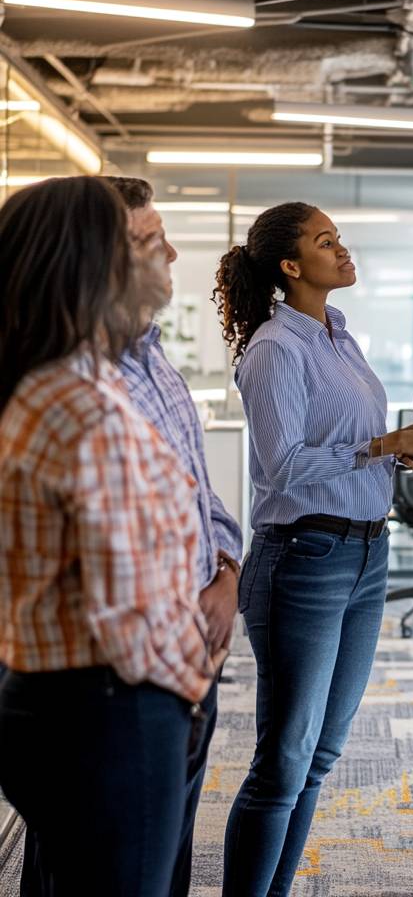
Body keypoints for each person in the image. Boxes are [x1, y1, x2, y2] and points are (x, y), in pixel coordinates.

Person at [214, 201, 413, 897]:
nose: (342, 250)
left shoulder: (338, 335)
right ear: (290, 266)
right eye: (325, 241)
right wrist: (378, 446)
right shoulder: (276, 348)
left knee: (319, 756)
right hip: (303, 560)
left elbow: (341, 449)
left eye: (339, 238)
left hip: (367, 555)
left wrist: (392, 460)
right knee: (282, 760)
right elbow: (283, 466)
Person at [0, 176, 215, 896]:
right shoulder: (80, 407)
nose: (167, 255)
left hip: (81, 703)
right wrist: (190, 684)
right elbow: (127, 618)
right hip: (113, 708)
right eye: (144, 243)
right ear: (93, 265)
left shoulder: (61, 384)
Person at [107, 176, 243, 894]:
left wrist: (225, 570)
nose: (173, 251)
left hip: (195, 651)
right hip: (129, 674)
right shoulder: (78, 381)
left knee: (168, 860)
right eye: (151, 239)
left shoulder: (157, 360)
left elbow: (203, 494)